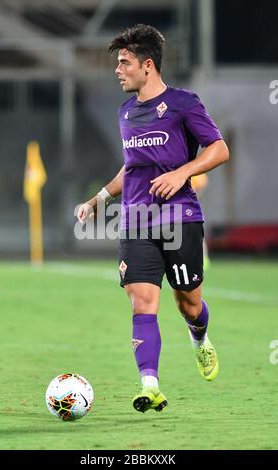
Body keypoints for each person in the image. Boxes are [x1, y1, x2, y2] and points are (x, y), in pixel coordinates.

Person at [77, 24, 229, 413]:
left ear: (148, 65)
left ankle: (199, 338)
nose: (117, 70)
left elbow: (219, 148)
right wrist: (98, 198)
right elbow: (133, 167)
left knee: (188, 303)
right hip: (136, 219)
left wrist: (183, 173)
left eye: (124, 63)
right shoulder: (125, 111)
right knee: (142, 301)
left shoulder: (183, 104)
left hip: (180, 218)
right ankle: (150, 385)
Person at [191, 173, 211, 271]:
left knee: (198, 234)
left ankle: (204, 259)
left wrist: (193, 197)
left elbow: (203, 184)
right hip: (178, 207)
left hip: (190, 207)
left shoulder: (194, 169)